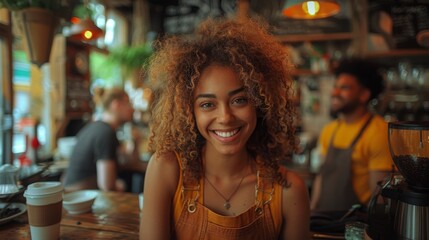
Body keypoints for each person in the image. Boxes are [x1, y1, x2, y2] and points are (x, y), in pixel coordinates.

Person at [140, 18, 310, 240]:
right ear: (189, 111)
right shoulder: (166, 169)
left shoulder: (289, 191)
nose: (225, 117)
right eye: (207, 104)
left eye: (239, 100)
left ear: (259, 104)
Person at [310, 58, 394, 212]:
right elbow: (321, 177)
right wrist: (312, 210)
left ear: (364, 95)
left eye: (344, 88)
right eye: (336, 86)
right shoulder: (329, 130)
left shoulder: (378, 132)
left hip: (354, 225)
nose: (335, 92)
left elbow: (379, 197)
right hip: (322, 222)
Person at [63, 87, 138, 192]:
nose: (132, 109)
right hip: (79, 201)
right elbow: (107, 186)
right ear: (116, 105)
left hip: (73, 196)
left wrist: (134, 141)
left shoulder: (96, 127)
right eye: (128, 103)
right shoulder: (105, 133)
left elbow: (125, 161)